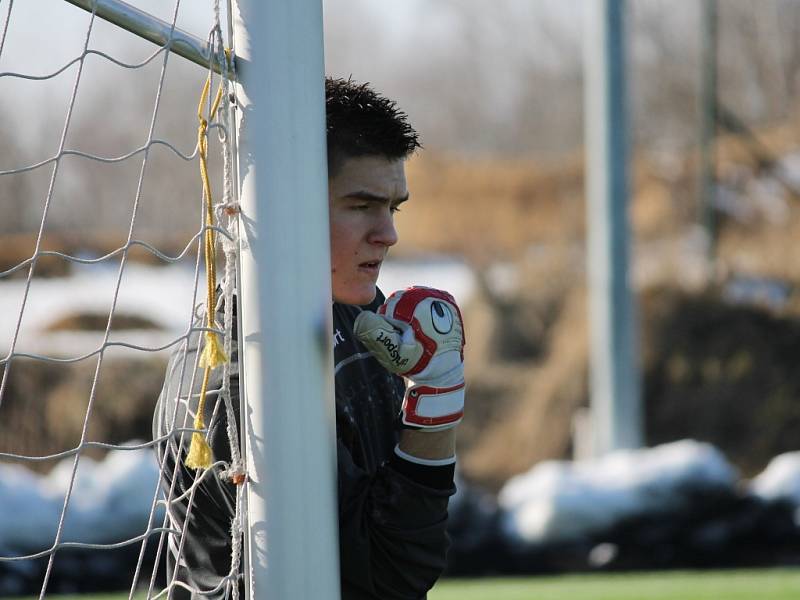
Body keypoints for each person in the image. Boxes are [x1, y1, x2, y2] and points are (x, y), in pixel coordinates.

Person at [153, 77, 466, 600]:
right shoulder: (241, 374)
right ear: (285, 205)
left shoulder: (361, 313)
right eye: (361, 205)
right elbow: (386, 574)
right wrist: (438, 400)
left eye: (394, 207)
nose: (388, 233)